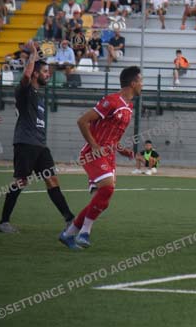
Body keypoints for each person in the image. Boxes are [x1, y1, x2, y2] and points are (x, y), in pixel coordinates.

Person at [0, 42, 76, 245]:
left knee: (52, 180)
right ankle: (4, 222)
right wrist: (33, 54)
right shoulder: (24, 90)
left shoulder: (39, 97)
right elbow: (25, 75)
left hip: (40, 145)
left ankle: (70, 219)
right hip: (25, 143)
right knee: (21, 182)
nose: (48, 75)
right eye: (45, 72)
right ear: (35, 74)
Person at [61, 66, 143, 249]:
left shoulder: (129, 107)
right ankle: (84, 233)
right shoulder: (111, 101)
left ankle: (68, 234)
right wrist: (94, 146)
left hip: (108, 156)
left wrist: (128, 153)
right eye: (141, 81)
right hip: (93, 153)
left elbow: (113, 139)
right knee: (107, 187)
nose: (142, 85)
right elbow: (82, 121)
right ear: (133, 83)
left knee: (103, 200)